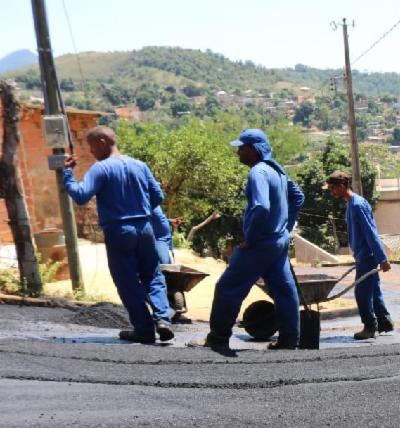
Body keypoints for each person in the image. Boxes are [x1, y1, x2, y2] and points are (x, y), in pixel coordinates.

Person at [189, 129, 305, 351]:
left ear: (254, 149)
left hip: (260, 243)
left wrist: (250, 238)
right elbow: (298, 197)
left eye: (241, 148)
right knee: (283, 290)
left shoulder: (259, 173)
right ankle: (290, 340)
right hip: (278, 242)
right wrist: (285, 229)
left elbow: (261, 207)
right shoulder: (278, 171)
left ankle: (218, 338)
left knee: (227, 287)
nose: (238, 152)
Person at [62, 126, 173, 344]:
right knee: (152, 275)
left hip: (118, 230)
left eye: (92, 146)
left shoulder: (100, 169)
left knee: (127, 280)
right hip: (145, 228)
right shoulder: (140, 165)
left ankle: (143, 329)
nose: (91, 152)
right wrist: (139, 210)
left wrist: (67, 174)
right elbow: (158, 196)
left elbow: (81, 195)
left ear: (103, 141)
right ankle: (163, 320)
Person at [324, 170, 393, 340]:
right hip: (363, 255)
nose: (332, 192)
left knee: (361, 293)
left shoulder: (357, 205)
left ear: (342, 186)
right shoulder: (351, 204)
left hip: (367, 256)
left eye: (333, 188)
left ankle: (370, 327)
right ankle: (384, 322)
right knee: (374, 291)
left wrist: (382, 258)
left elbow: (371, 233)